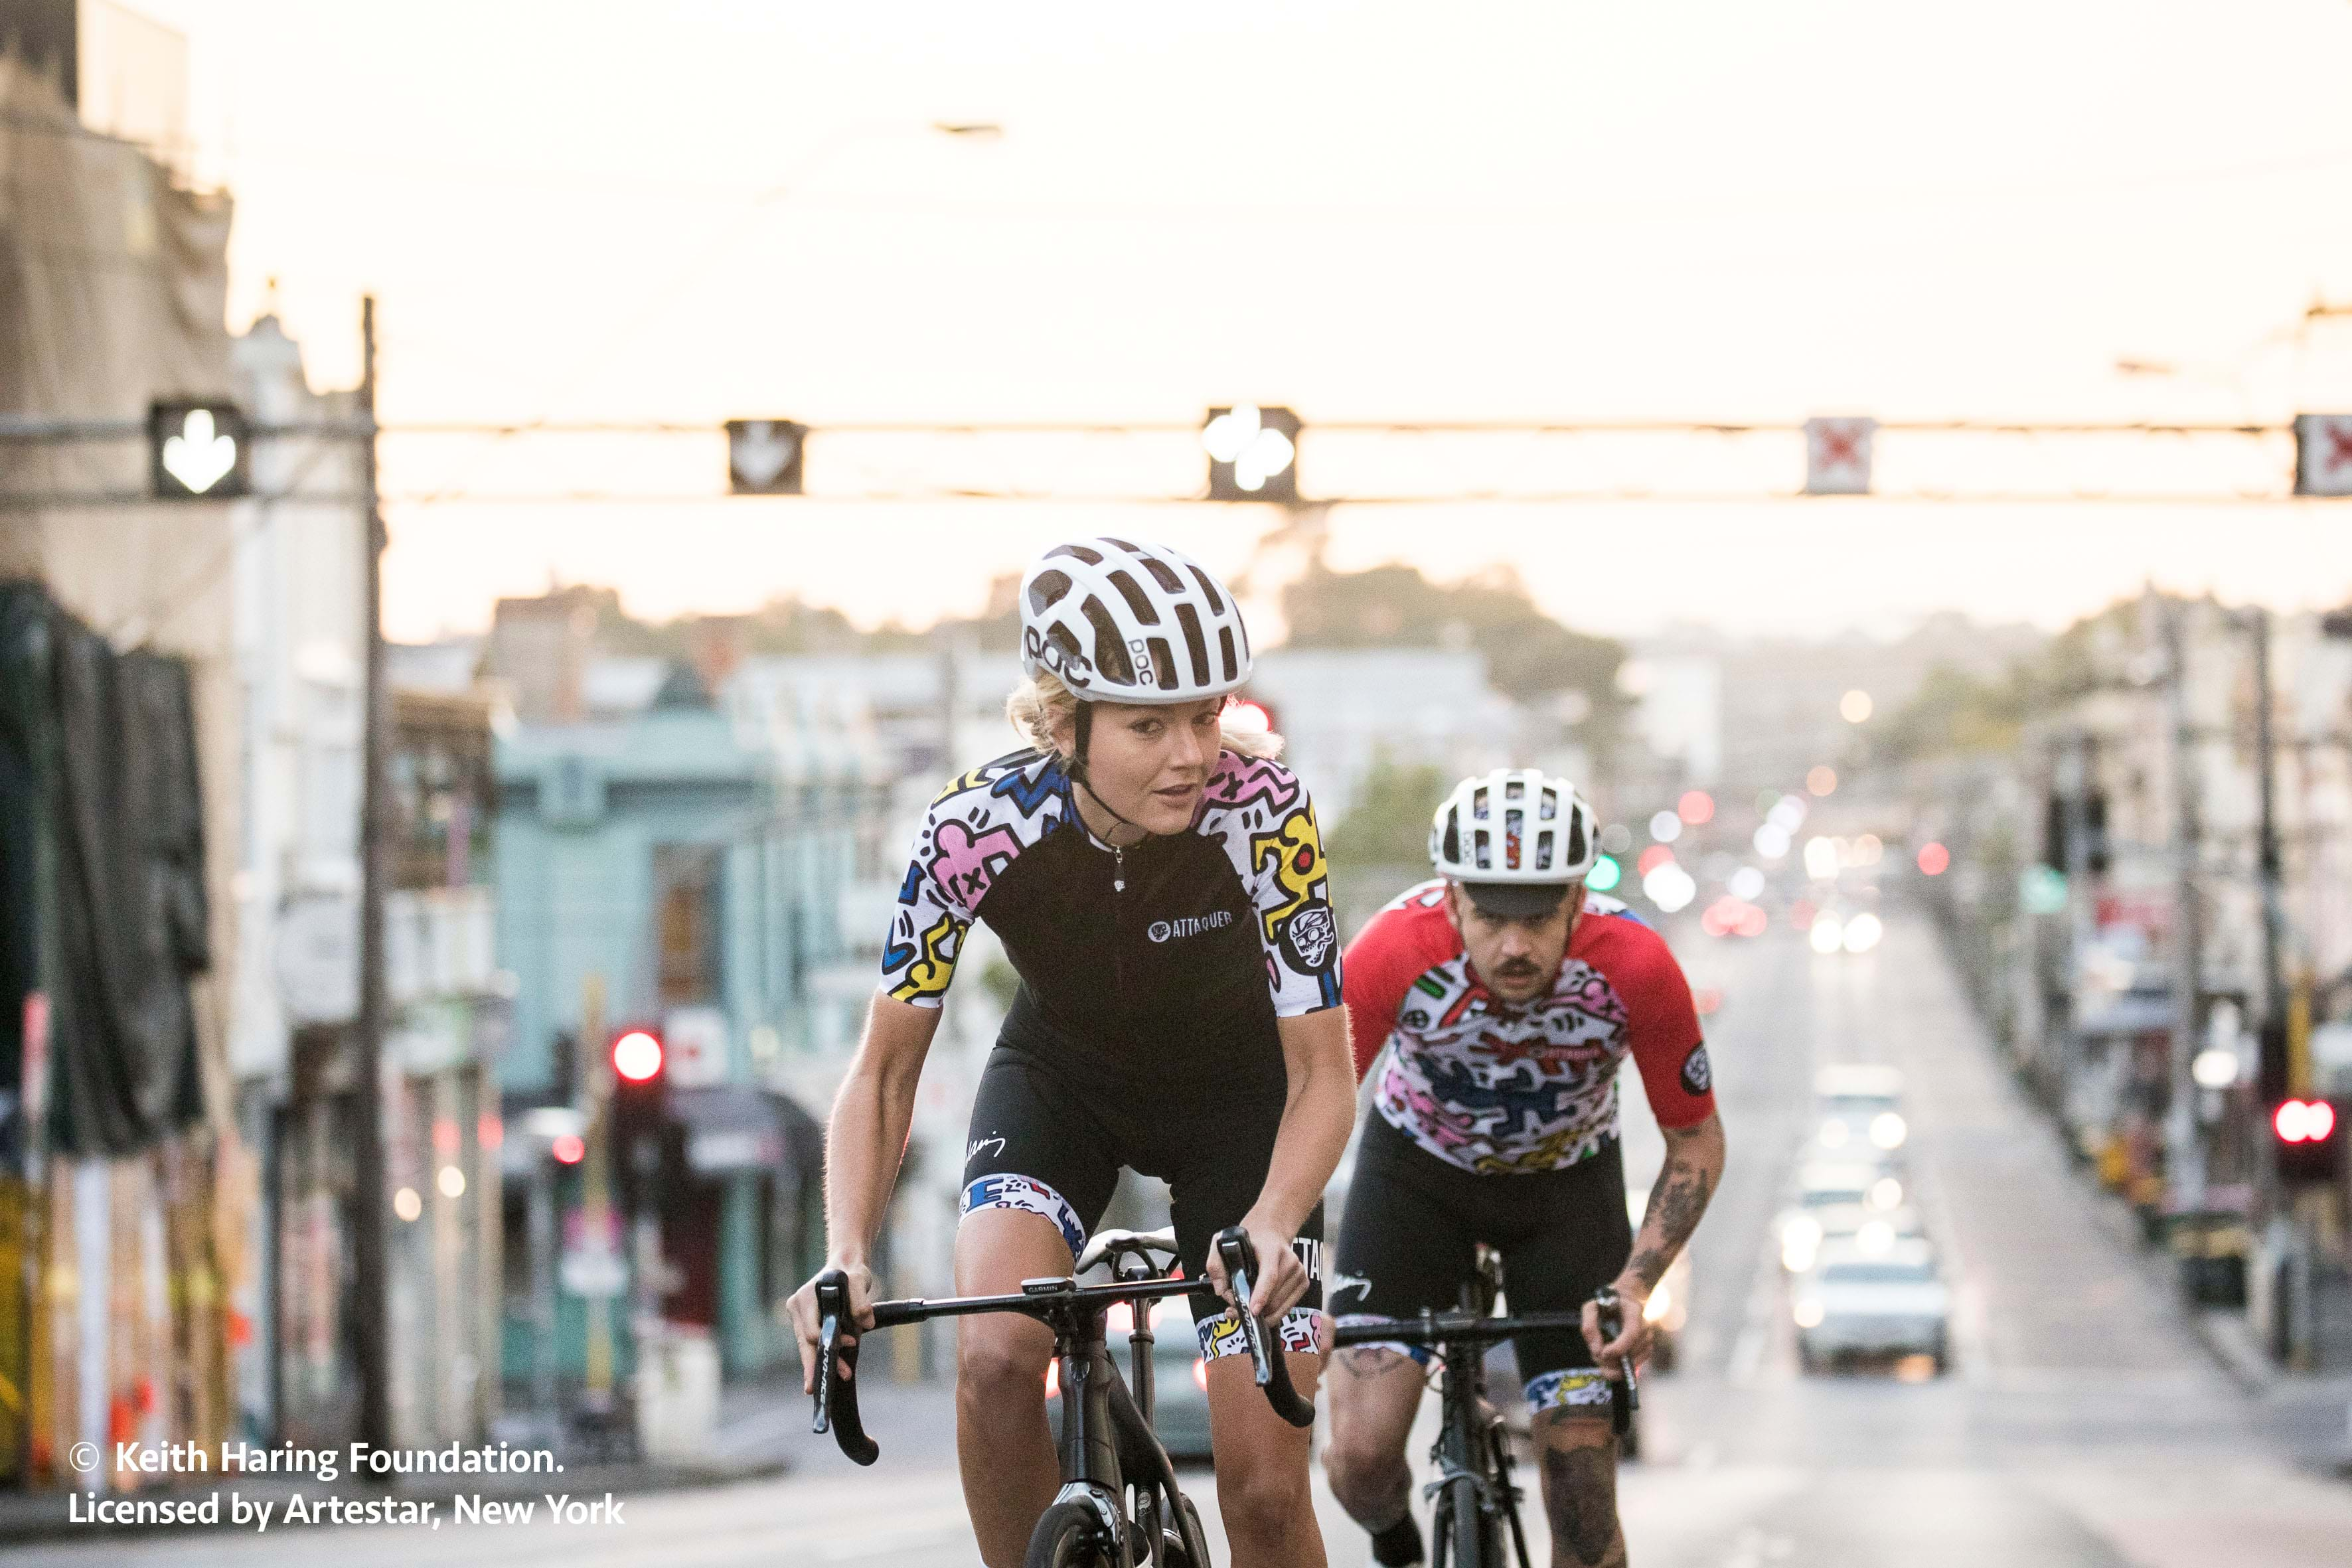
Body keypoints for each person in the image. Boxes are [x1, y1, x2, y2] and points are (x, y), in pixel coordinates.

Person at [785, 536, 1355, 1568]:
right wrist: (846, 1251)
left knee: (1265, 1492)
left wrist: (1272, 1223)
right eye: (1148, 725)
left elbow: (1322, 1073)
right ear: (1061, 723)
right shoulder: (973, 829)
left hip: (1239, 1108)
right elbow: (883, 1072)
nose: (1190, 753)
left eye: (1204, 714)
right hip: (1063, 1084)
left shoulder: (1266, 813)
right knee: (995, 1355)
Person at [1322, 769, 1727, 1568]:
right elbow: (1308, 1108)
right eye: (1489, 918)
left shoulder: (1636, 965)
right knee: (1359, 1463)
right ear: (1449, 901)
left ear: (1579, 901)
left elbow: (1696, 1142)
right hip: (1416, 1178)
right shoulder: (1392, 951)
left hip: (1565, 1193)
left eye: (1540, 918)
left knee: (1583, 1508)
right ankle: (1399, 1547)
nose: (1514, 946)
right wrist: (1282, 1247)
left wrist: (1636, 1285)